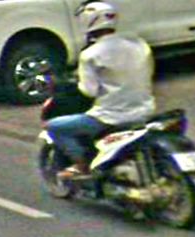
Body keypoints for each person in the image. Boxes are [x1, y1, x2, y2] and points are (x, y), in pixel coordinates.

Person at [46, 1, 156, 181]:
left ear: (87, 21)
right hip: (145, 110)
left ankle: (82, 166)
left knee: (54, 127)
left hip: (110, 117)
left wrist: (75, 84)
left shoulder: (90, 55)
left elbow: (89, 91)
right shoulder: (139, 45)